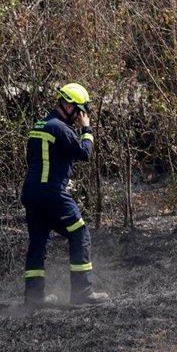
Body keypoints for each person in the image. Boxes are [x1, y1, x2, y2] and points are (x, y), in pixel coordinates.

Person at [21, 83, 108, 306]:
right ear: (70, 106)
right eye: (81, 110)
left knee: (37, 243)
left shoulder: (39, 125)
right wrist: (87, 130)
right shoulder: (60, 128)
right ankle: (83, 293)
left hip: (31, 193)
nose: (81, 115)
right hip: (53, 194)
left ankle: (34, 298)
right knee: (80, 234)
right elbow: (84, 153)